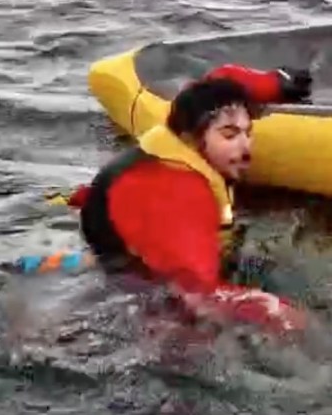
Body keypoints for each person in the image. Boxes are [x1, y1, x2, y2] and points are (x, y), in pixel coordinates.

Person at [62, 63, 313, 338]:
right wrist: (279, 313)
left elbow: (218, 80)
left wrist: (274, 83)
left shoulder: (185, 128)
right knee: (193, 338)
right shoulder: (180, 194)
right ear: (191, 139)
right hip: (134, 284)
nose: (246, 148)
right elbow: (198, 295)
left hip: (111, 217)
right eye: (229, 135)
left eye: (247, 132)